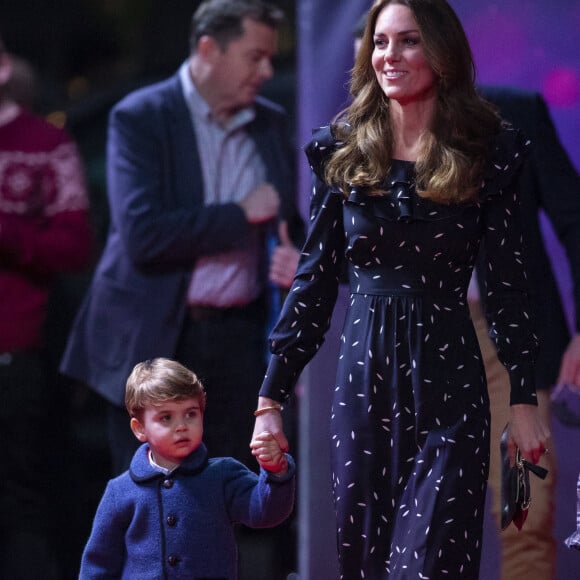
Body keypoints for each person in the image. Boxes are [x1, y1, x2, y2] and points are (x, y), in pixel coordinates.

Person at [252, 0, 549, 577]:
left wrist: (522, 398)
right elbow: (312, 280)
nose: (390, 56)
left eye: (408, 41)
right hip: (363, 382)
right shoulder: (340, 149)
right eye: (381, 43)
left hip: (452, 384)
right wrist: (271, 400)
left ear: (441, 53)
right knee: (365, 563)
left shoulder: (488, 151)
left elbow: (510, 282)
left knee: (431, 563)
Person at [60, 0, 303, 475]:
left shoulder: (268, 121)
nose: (267, 69)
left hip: (238, 339)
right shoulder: (142, 117)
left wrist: (294, 251)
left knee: (226, 501)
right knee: (152, 511)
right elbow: (145, 236)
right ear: (210, 49)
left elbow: (286, 219)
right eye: (255, 56)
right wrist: (240, 214)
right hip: (156, 343)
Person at [470, 85, 580, 579]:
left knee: (524, 512)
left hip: (508, 345)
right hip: (416, 347)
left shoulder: (512, 116)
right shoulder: (370, 136)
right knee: (418, 521)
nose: (392, 59)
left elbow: (575, 221)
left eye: (410, 41)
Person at [0, 36, 93, 579]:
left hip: (16, 349)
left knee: (21, 499)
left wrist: (9, 232)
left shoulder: (44, 144)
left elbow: (75, 246)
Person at [79, 358, 295, 579]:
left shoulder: (223, 475)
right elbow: (99, 564)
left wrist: (275, 471)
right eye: (166, 418)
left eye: (190, 414)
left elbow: (266, 512)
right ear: (140, 428)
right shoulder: (120, 491)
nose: (181, 426)